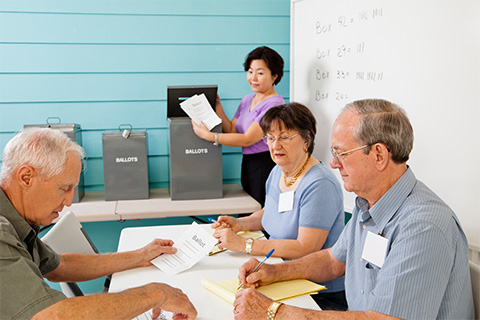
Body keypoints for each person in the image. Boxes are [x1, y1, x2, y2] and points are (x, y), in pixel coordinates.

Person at [232, 99, 474, 319]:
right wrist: (274, 272)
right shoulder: (367, 202)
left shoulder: (424, 226)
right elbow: (333, 261)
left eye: (341, 153)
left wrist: (273, 312)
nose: (333, 163)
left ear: (379, 155)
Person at [0, 128, 197, 320]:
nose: (69, 201)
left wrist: (140, 256)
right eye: (64, 188)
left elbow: (60, 266)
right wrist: (155, 294)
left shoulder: (19, 218)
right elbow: (50, 315)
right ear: (26, 177)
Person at [211, 102, 346, 311]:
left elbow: (306, 247)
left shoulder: (320, 184)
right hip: (280, 272)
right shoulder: (278, 171)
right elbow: (270, 212)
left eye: (284, 137)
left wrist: (244, 245)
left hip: (317, 293)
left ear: (306, 140)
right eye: (271, 138)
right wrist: (239, 223)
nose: (275, 146)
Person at [192, 46, 285, 206]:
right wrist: (218, 106)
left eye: (260, 73)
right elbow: (232, 129)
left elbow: (248, 139)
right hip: (248, 163)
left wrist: (210, 136)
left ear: (274, 76)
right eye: (250, 71)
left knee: (258, 211)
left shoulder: (274, 105)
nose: (253, 78)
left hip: (264, 164)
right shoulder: (248, 99)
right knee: (247, 209)